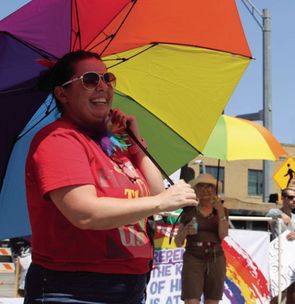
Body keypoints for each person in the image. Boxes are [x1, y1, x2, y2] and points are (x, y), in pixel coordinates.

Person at [24, 50, 198, 303]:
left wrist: (134, 141)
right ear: (62, 93)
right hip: (74, 290)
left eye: (108, 78)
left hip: (131, 285)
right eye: (91, 80)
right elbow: (85, 213)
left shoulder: (115, 143)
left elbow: (156, 191)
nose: (103, 86)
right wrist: (161, 203)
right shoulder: (59, 139)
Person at [174, 173, 229, 304]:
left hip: (216, 258)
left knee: (212, 301)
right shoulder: (188, 212)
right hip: (193, 258)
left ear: (214, 190)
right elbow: (177, 242)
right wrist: (185, 231)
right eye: (201, 187)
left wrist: (220, 211)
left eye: (209, 187)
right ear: (196, 191)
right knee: (191, 300)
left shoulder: (222, 211)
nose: (205, 190)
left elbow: (223, 235)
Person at [266, 188, 295, 304]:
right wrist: (281, 215)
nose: (294, 200)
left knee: (294, 293)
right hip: (277, 259)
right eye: (291, 197)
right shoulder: (275, 213)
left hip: (292, 259)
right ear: (283, 198)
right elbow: (267, 215)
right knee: (277, 294)